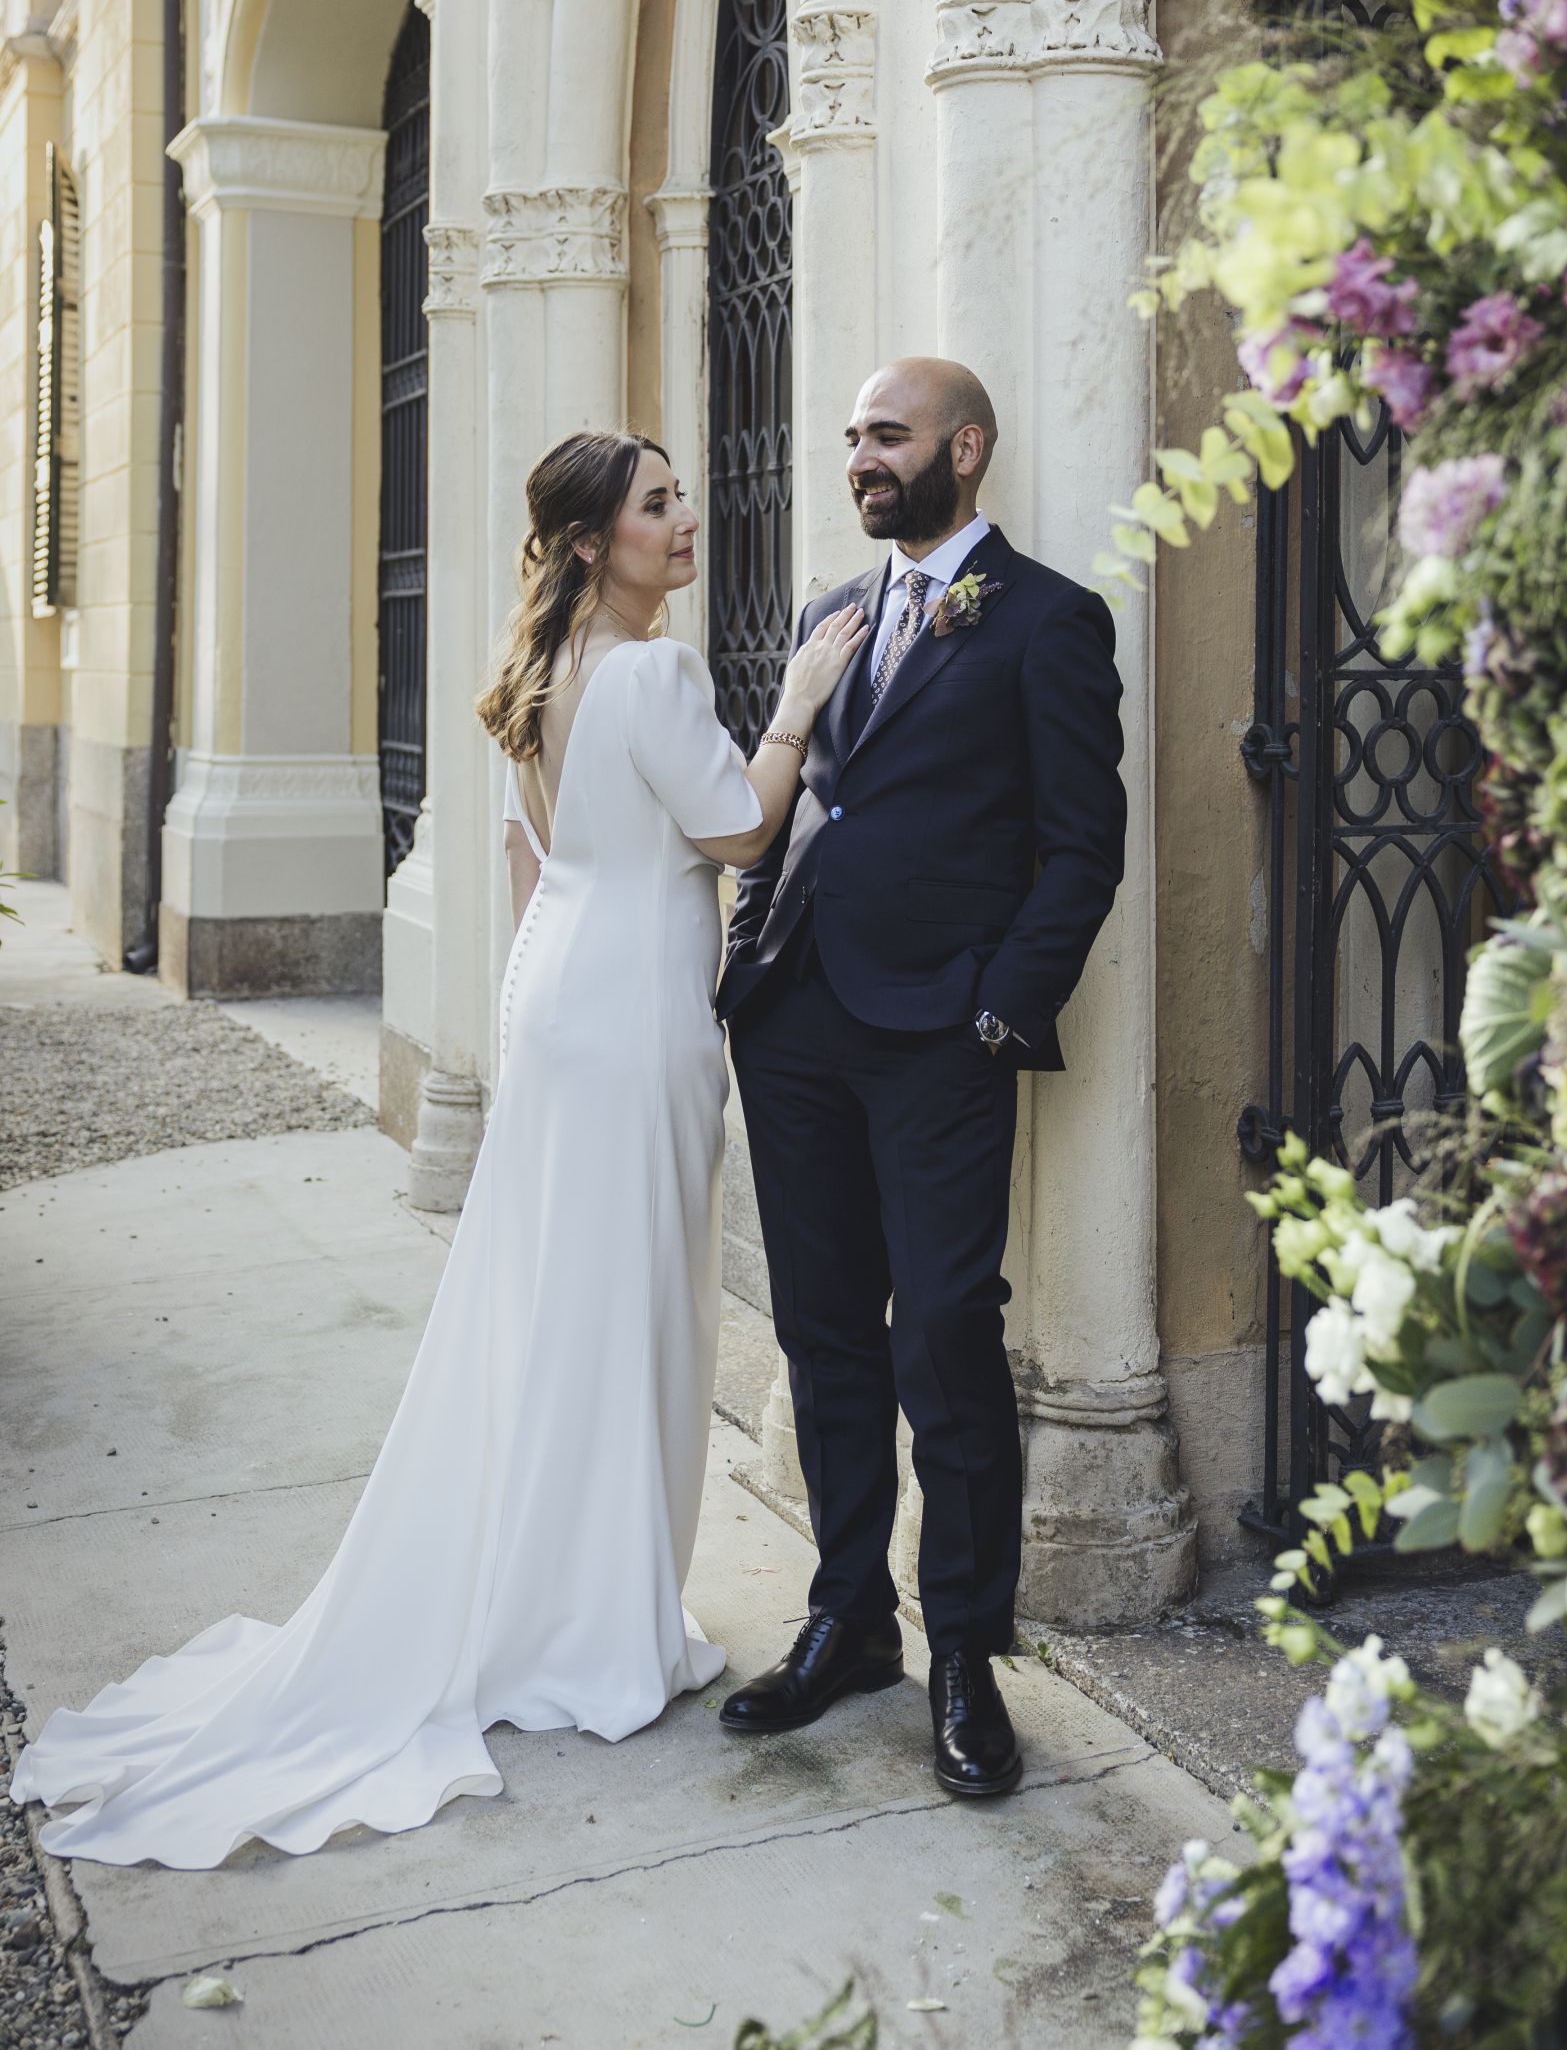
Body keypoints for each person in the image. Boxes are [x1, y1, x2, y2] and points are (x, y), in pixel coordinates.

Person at [8, 431, 866, 1868]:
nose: (686, 522)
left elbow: (541, 862)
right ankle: (600, 1627)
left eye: (677, 501)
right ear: (593, 540)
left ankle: (574, 1595)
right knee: (632, 1308)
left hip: (563, 990)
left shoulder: (545, 675)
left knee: (562, 1306)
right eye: (658, 506)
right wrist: (796, 711)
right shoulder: (649, 671)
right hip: (632, 1010)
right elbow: (734, 829)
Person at [716, 358, 1127, 1800]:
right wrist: (751, 957)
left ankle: (964, 1645)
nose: (858, 460)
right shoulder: (836, 613)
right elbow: (800, 800)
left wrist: (1001, 1016)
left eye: (885, 437)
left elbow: (1083, 843)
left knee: (945, 1331)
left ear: (967, 448)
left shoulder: (1050, 622)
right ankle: (848, 1620)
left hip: (940, 1034)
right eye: (848, 440)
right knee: (823, 1331)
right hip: (795, 1023)